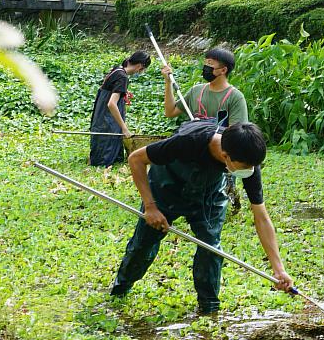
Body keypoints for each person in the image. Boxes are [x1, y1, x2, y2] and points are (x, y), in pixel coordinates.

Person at [109, 120, 293, 314]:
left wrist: (278, 269)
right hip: (167, 187)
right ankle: (120, 290)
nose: (249, 171)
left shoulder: (248, 164)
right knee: (144, 243)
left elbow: (261, 217)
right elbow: (136, 159)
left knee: (211, 249)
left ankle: (209, 308)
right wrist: (150, 206)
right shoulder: (188, 141)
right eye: (244, 167)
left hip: (208, 194)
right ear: (225, 156)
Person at [89, 51, 151, 167]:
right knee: (106, 147)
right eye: (143, 69)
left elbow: (109, 88)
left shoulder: (118, 70)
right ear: (139, 66)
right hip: (107, 116)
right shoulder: (122, 77)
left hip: (100, 113)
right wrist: (124, 128)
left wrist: (123, 93)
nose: (141, 72)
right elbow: (112, 104)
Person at [161, 47, 247, 126]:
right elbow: (170, 112)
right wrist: (168, 82)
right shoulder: (196, 91)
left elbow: (236, 135)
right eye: (205, 63)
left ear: (223, 70)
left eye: (210, 64)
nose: (205, 67)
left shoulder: (235, 97)